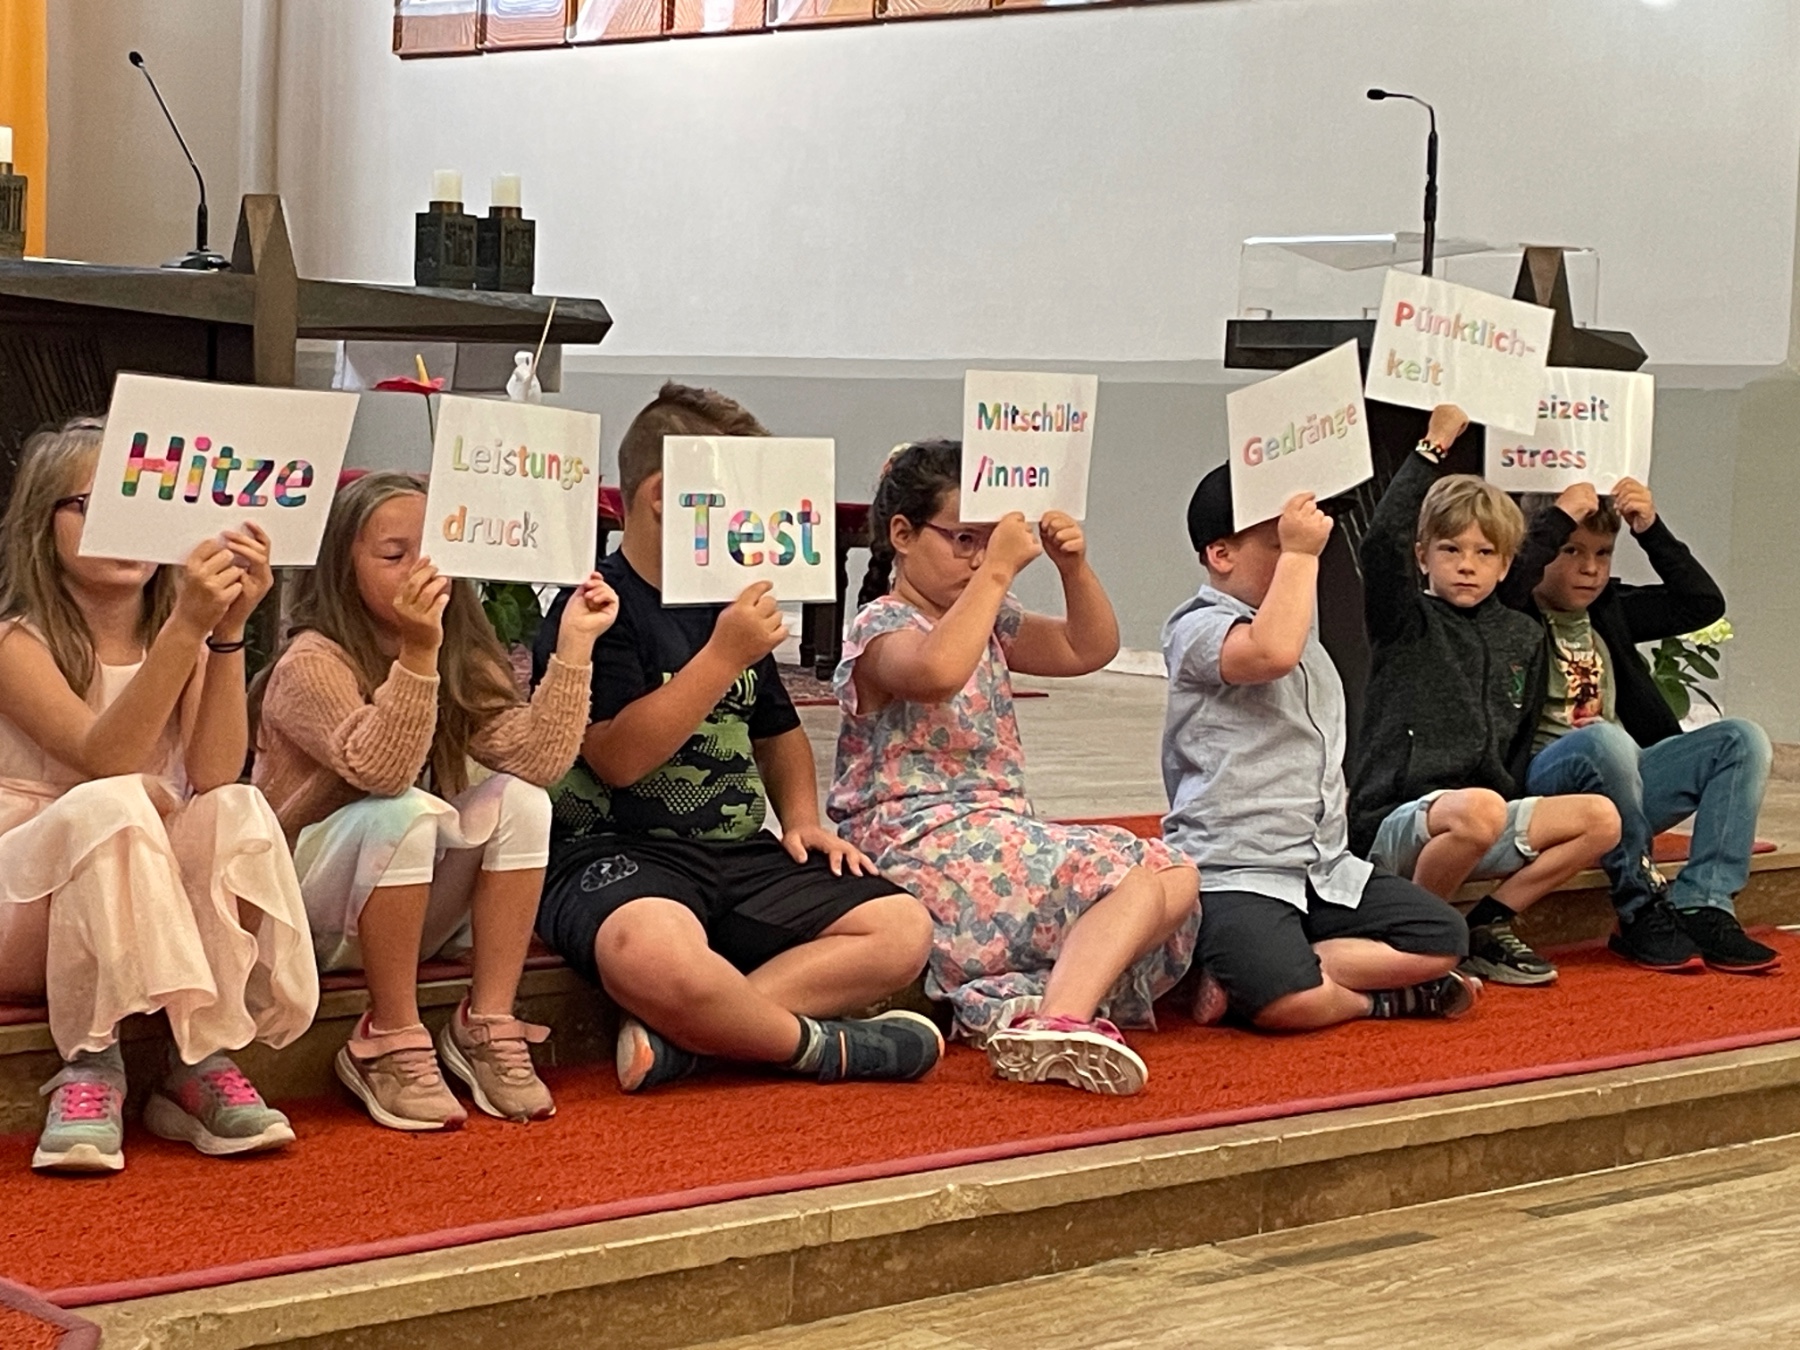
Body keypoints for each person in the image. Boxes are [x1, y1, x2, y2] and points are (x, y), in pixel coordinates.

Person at [533, 383, 941, 1094]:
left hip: (737, 855)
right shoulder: (596, 608)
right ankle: (821, 1048)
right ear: (663, 496)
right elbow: (619, 759)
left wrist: (803, 819)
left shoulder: (727, 602)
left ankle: (697, 1036)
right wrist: (722, 654)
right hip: (618, 855)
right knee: (649, 950)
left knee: (902, 928)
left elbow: (777, 730)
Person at [830, 440, 1198, 1096]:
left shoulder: (987, 617)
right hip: (917, 842)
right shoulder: (881, 627)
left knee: (1177, 878)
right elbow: (937, 672)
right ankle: (1060, 1020)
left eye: (987, 541)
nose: (978, 558)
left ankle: (1022, 1002)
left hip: (993, 833)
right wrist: (998, 570)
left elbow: (1088, 648)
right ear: (903, 535)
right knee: (1132, 882)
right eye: (962, 540)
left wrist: (1072, 567)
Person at [0, 418, 317, 1173]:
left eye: (138, 502)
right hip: (24, 900)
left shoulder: (182, 635)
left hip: (144, 895)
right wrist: (186, 626)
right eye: (94, 504)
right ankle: (89, 1064)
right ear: (45, 522)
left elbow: (215, 773)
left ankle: (198, 1058)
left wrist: (227, 631)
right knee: (111, 803)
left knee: (236, 808)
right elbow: (105, 760)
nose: (124, 525)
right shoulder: (15, 641)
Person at [255, 470, 617, 1130]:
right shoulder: (311, 661)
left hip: (405, 905)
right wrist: (419, 653)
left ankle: (487, 1022)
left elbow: (538, 762)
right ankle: (389, 1036)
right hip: (305, 916)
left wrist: (574, 648)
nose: (420, 570)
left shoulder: (459, 648)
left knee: (523, 802)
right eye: (394, 555)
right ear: (344, 568)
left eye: (434, 551)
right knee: (405, 810)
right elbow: (383, 772)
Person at [1163, 463, 1478, 1032]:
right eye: (1278, 541)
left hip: (1321, 867)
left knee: (1443, 937)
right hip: (1236, 868)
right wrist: (1301, 555)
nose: (1302, 551)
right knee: (1289, 1005)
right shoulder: (1197, 627)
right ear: (1220, 554)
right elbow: (1269, 654)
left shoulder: (1301, 635)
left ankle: (1265, 970)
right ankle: (1374, 1000)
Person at [1349, 405, 1619, 985]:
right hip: (1399, 820)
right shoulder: (1404, 621)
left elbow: (1518, 738)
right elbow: (1379, 544)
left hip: (1483, 816)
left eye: (1484, 553)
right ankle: (1415, 938)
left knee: (1601, 818)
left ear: (1505, 565)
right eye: (1451, 550)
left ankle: (1485, 927)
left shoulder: (1522, 634)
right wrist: (1432, 448)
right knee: (1479, 811)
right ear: (1423, 557)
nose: (1467, 566)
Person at [1501, 477, 1777, 974]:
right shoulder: (1507, 614)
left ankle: (1704, 903)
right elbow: (1508, 583)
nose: (1590, 568)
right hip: (1541, 798)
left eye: (1603, 553)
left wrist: (1649, 529)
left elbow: (1702, 603)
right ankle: (1639, 906)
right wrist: (1555, 520)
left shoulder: (1609, 611)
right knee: (1603, 739)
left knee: (1742, 740)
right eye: (1570, 550)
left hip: (1621, 788)